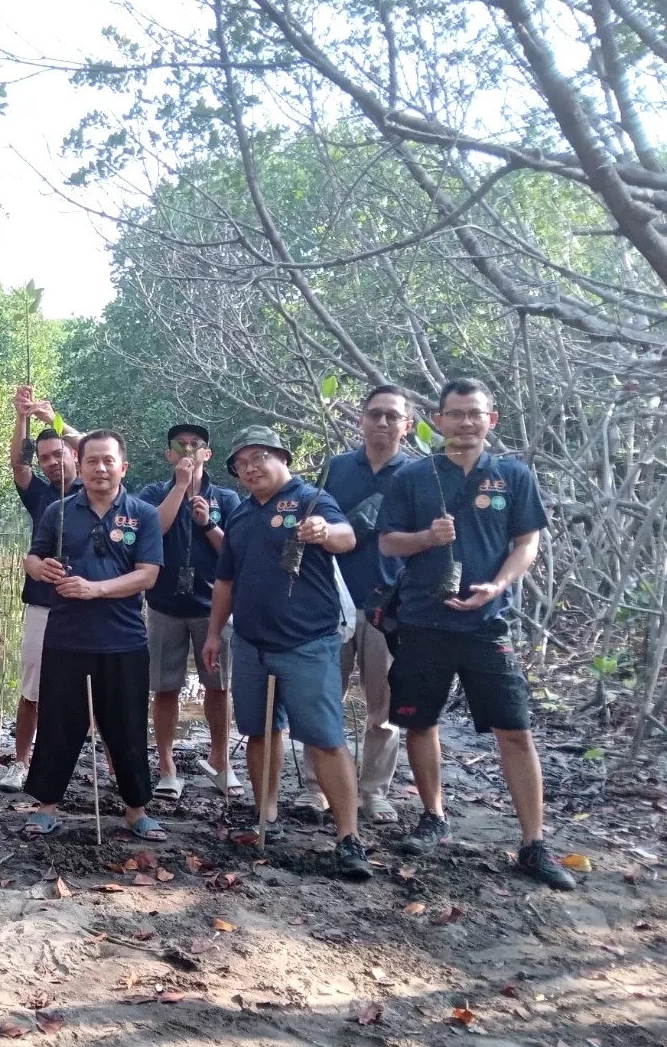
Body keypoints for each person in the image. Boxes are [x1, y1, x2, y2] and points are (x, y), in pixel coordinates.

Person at [377, 379, 574, 889]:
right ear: (436, 422)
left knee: (515, 729)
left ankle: (534, 843)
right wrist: (427, 538)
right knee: (420, 722)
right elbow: (389, 543)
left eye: (474, 414)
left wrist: (498, 584)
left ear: (492, 419)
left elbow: (527, 542)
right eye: (455, 414)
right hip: (423, 620)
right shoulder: (415, 477)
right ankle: (433, 816)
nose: (465, 423)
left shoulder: (512, 476)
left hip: (488, 624)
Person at [201, 426, 372, 880]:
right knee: (260, 731)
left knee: (325, 737)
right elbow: (226, 582)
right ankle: (265, 817)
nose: (251, 469)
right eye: (242, 464)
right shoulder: (239, 515)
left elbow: (346, 537)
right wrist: (215, 633)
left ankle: (349, 836)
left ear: (283, 457)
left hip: (308, 642)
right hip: (252, 644)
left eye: (259, 458)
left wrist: (323, 531)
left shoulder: (311, 499)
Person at [23, 430, 165, 837]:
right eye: (91, 462)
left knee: (128, 725)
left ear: (123, 466)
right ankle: (46, 805)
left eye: (108, 461)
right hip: (66, 637)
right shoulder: (60, 512)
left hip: (124, 640)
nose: (100, 468)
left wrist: (96, 589)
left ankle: (136, 809)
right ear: (78, 467)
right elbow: (35, 556)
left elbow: (148, 575)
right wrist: (38, 568)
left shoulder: (143, 514)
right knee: (58, 723)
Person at [313, 385, 411, 821]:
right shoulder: (336, 469)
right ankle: (316, 788)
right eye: (375, 414)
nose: (383, 423)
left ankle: (374, 791)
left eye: (393, 416)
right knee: (322, 698)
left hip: (390, 606)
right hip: (334, 601)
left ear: (407, 425)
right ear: (361, 420)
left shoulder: (418, 477)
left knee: (384, 706)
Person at [136, 424, 241, 798]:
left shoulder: (227, 499)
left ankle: (220, 761)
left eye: (196, 446)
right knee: (165, 688)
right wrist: (180, 489)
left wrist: (208, 523)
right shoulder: (153, 494)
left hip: (214, 608)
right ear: (169, 455)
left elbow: (236, 553)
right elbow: (150, 533)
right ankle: (166, 767)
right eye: (180, 446)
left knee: (219, 687)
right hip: (164, 606)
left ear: (207, 454)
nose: (188, 451)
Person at [6, 385, 81, 790]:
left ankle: (84, 764)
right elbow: (18, 466)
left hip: (88, 605)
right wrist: (22, 417)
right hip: (42, 604)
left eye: (58, 455)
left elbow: (99, 447)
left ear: (73, 455)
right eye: (45, 458)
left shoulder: (97, 486)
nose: (52, 463)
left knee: (90, 689)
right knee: (32, 688)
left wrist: (53, 421)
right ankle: (21, 762)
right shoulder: (40, 495)